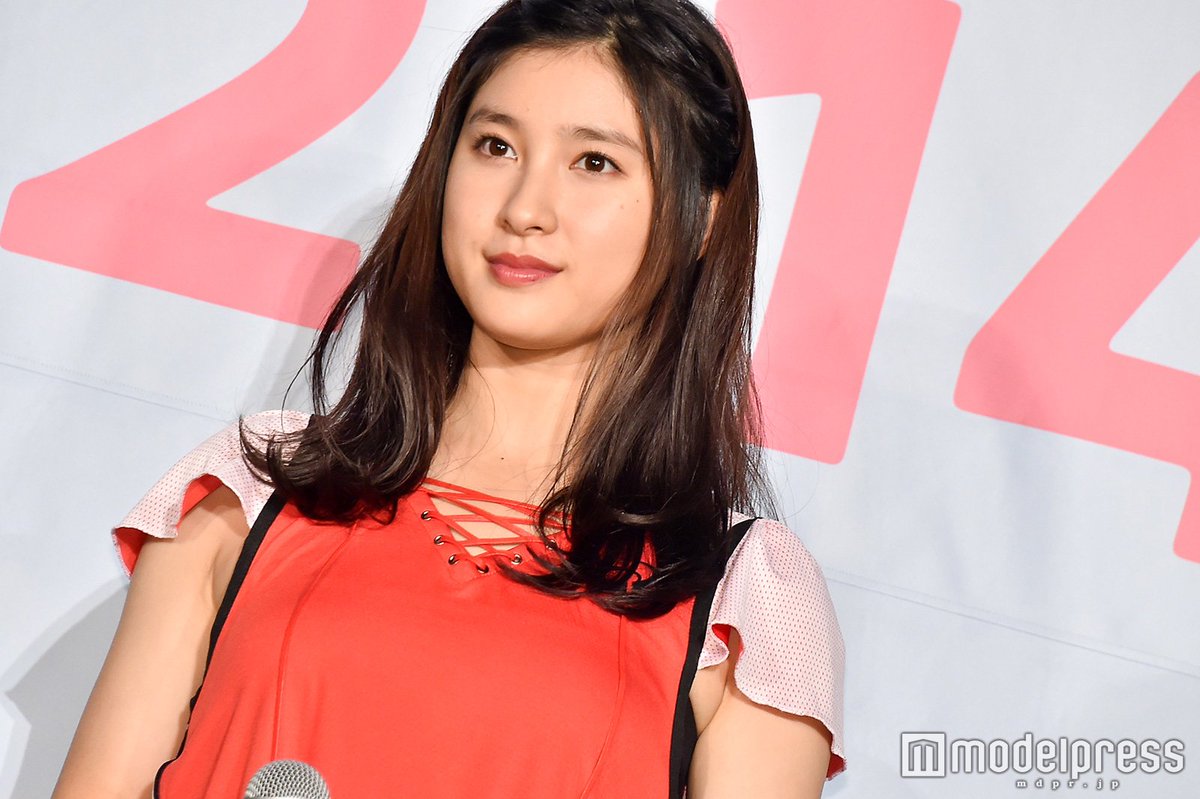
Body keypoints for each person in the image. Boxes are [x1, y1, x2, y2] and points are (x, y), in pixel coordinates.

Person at [53, 0, 846, 796]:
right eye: (496, 146)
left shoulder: (741, 600)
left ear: (701, 218)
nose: (524, 209)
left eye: (594, 162)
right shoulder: (253, 490)